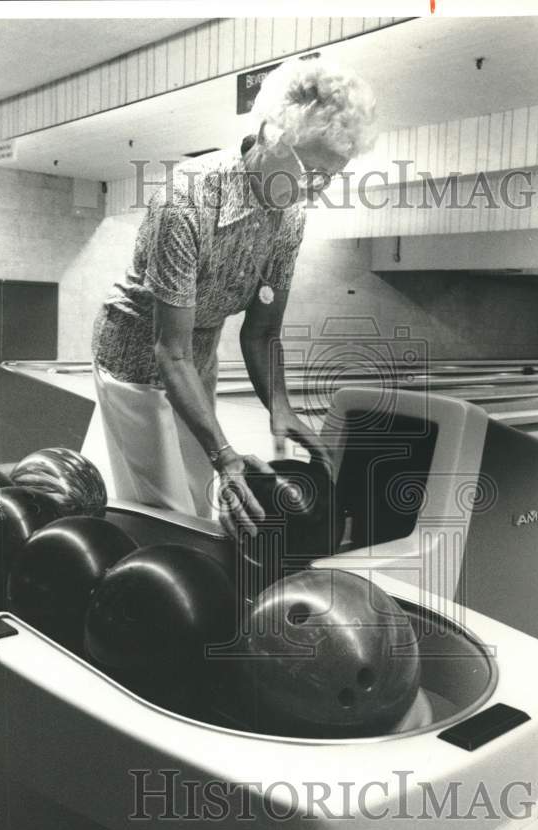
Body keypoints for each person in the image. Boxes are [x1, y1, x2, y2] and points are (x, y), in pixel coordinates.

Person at [92, 55, 376, 537]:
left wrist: (280, 405)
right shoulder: (186, 199)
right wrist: (224, 452)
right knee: (164, 505)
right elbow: (168, 349)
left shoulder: (291, 217)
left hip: (195, 355)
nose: (317, 190)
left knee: (204, 493)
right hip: (137, 356)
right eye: (311, 170)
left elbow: (263, 332)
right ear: (270, 134)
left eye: (331, 177)